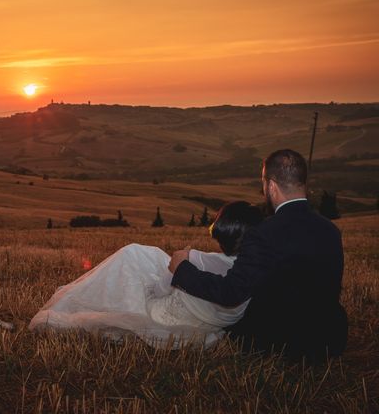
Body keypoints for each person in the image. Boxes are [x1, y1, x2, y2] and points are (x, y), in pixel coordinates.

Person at [169, 149, 348, 363]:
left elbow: (231, 292)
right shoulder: (330, 230)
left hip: (278, 343)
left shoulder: (263, 233)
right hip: (328, 340)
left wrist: (182, 269)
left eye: (264, 184)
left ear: (271, 186)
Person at [28, 201, 263, 348]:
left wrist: (173, 268)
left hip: (163, 316)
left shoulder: (198, 258)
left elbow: (161, 289)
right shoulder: (253, 271)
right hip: (204, 327)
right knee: (147, 257)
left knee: (132, 255)